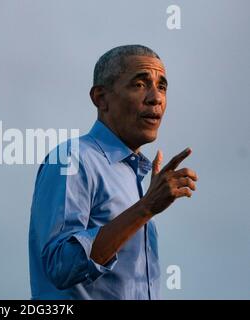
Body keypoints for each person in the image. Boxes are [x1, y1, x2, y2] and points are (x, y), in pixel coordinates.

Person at [28, 45, 198, 299]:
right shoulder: (74, 159)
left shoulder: (135, 175)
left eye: (162, 87)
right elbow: (60, 265)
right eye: (139, 84)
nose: (156, 98)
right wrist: (147, 207)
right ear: (101, 98)